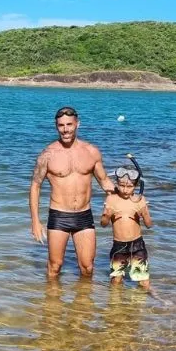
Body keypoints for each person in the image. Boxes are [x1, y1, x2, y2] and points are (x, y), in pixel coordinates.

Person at [30, 106, 115, 278]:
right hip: (59, 215)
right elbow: (35, 186)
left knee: (87, 267)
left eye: (69, 124)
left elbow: (104, 181)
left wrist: (125, 195)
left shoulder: (91, 151)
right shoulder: (48, 154)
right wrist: (35, 222)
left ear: (78, 124)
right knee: (55, 267)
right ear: (56, 127)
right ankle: (51, 304)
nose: (65, 129)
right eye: (61, 125)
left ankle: (84, 303)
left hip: (84, 215)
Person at [100, 165, 153, 289]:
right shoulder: (111, 199)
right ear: (116, 183)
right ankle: (116, 306)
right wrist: (107, 215)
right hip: (119, 246)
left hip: (137, 245)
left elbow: (149, 225)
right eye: (121, 185)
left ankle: (140, 305)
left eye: (129, 186)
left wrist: (144, 213)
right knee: (116, 281)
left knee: (143, 281)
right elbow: (103, 224)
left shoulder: (139, 199)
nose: (125, 190)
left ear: (135, 186)